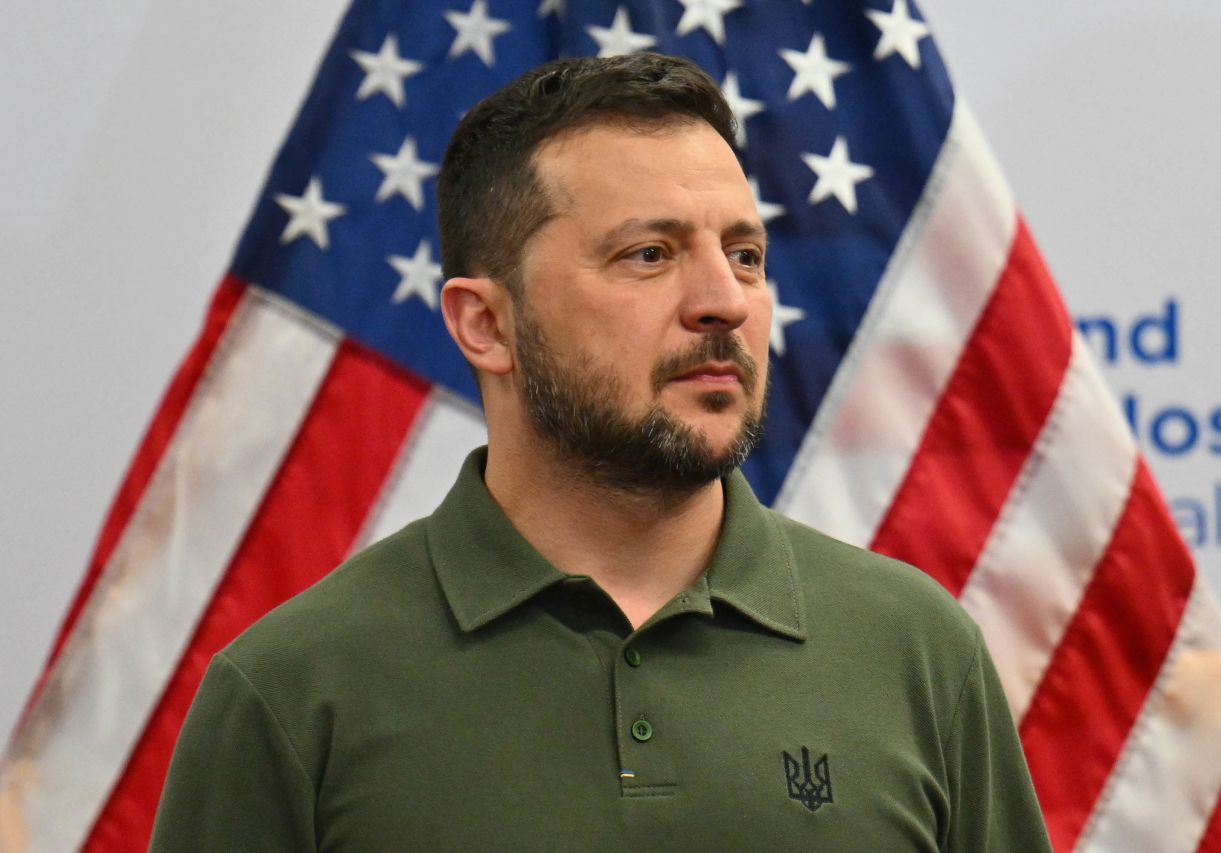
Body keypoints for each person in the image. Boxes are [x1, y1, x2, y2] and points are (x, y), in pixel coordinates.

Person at [150, 54, 1051, 851]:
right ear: (486, 324)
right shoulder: (293, 693)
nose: (724, 302)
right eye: (650, 254)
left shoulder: (918, 653)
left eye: (744, 255)